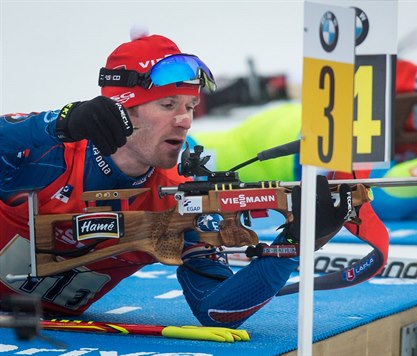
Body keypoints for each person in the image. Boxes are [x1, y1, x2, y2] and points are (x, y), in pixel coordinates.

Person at [0, 29, 389, 329]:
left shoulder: (179, 199)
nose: (185, 119)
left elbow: (218, 310)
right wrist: (60, 121)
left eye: (189, 106)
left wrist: (292, 245)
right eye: (168, 105)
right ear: (123, 110)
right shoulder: (50, 156)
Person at [186, 0, 417, 220]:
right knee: (160, 163)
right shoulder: (383, 85)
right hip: (269, 147)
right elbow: (380, 202)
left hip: (295, 148)